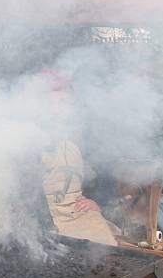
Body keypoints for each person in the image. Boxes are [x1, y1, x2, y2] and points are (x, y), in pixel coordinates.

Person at [40, 71, 117, 246]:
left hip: (79, 214)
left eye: (63, 102)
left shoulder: (85, 137)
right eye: (49, 103)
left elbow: (106, 174)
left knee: (103, 248)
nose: (57, 109)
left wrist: (98, 201)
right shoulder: (27, 139)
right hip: (45, 218)